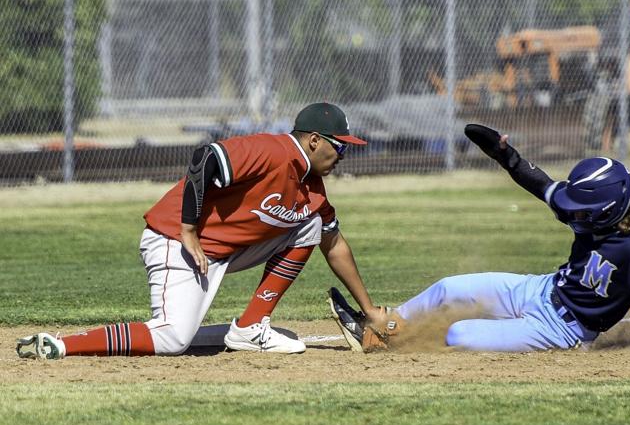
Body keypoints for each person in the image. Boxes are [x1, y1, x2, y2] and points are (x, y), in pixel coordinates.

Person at [17, 102, 387, 359]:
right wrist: (189, 229)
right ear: (315, 140)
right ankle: (63, 345)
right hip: (175, 242)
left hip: (221, 253)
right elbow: (205, 158)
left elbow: (334, 244)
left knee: (312, 224)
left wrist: (368, 310)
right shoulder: (272, 150)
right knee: (172, 338)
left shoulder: (313, 192)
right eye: (341, 147)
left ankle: (250, 326)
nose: (343, 156)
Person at [329, 124, 630, 352]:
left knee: (460, 335)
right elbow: (538, 182)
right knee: (448, 288)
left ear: (605, 212)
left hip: (561, 329)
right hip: (540, 290)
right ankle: (384, 325)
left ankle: (393, 344)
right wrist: (506, 157)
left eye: (579, 210)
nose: (570, 212)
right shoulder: (592, 215)